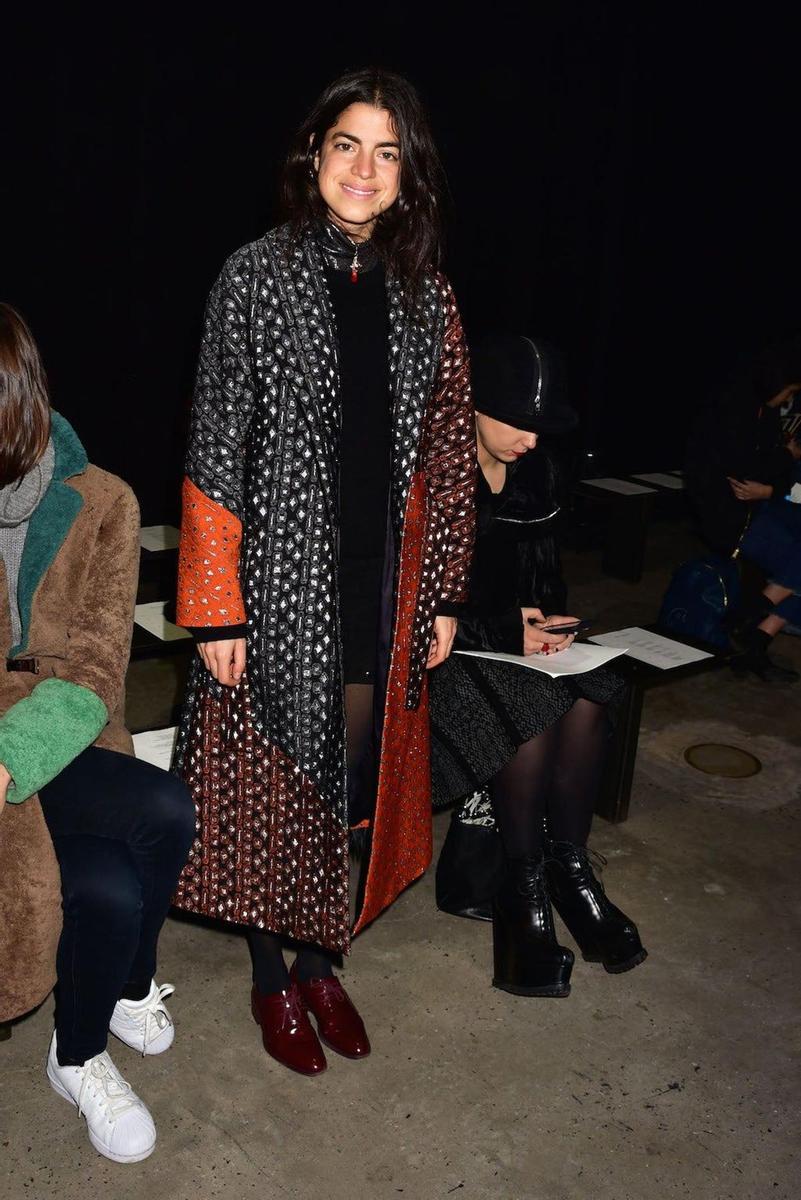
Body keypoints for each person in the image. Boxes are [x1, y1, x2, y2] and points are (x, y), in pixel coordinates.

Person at [172, 68, 475, 1075]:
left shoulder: (426, 294)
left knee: (346, 776)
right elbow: (215, 442)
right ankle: (273, 974)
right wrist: (217, 609)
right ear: (315, 154)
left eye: (387, 152)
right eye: (347, 144)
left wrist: (439, 592)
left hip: (378, 582)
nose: (364, 168)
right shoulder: (254, 274)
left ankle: (319, 953)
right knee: (275, 779)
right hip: (275, 578)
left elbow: (443, 455)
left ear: (409, 175)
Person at [0, 304, 195, 1162]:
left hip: (60, 721)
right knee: (108, 890)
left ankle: (116, 996)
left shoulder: (102, 498)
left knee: (164, 807)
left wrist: (10, 760)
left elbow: (94, 671)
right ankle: (81, 1052)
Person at [429, 334, 646, 998]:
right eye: (515, 421)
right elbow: (398, 607)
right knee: (537, 711)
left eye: (541, 426)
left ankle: (568, 870)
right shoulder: (427, 470)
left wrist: (545, 623)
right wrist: (502, 629)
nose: (529, 437)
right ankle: (520, 893)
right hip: (433, 653)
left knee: (589, 694)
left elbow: (540, 579)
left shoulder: (537, 472)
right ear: (468, 403)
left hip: (502, 645)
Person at [685, 339, 801, 682]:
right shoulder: (738, 411)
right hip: (734, 515)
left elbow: (767, 473)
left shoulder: (757, 410)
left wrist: (774, 481)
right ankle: (751, 621)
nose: (790, 401)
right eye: (789, 392)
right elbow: (747, 470)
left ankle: (755, 631)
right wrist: (783, 466)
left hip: (760, 508)